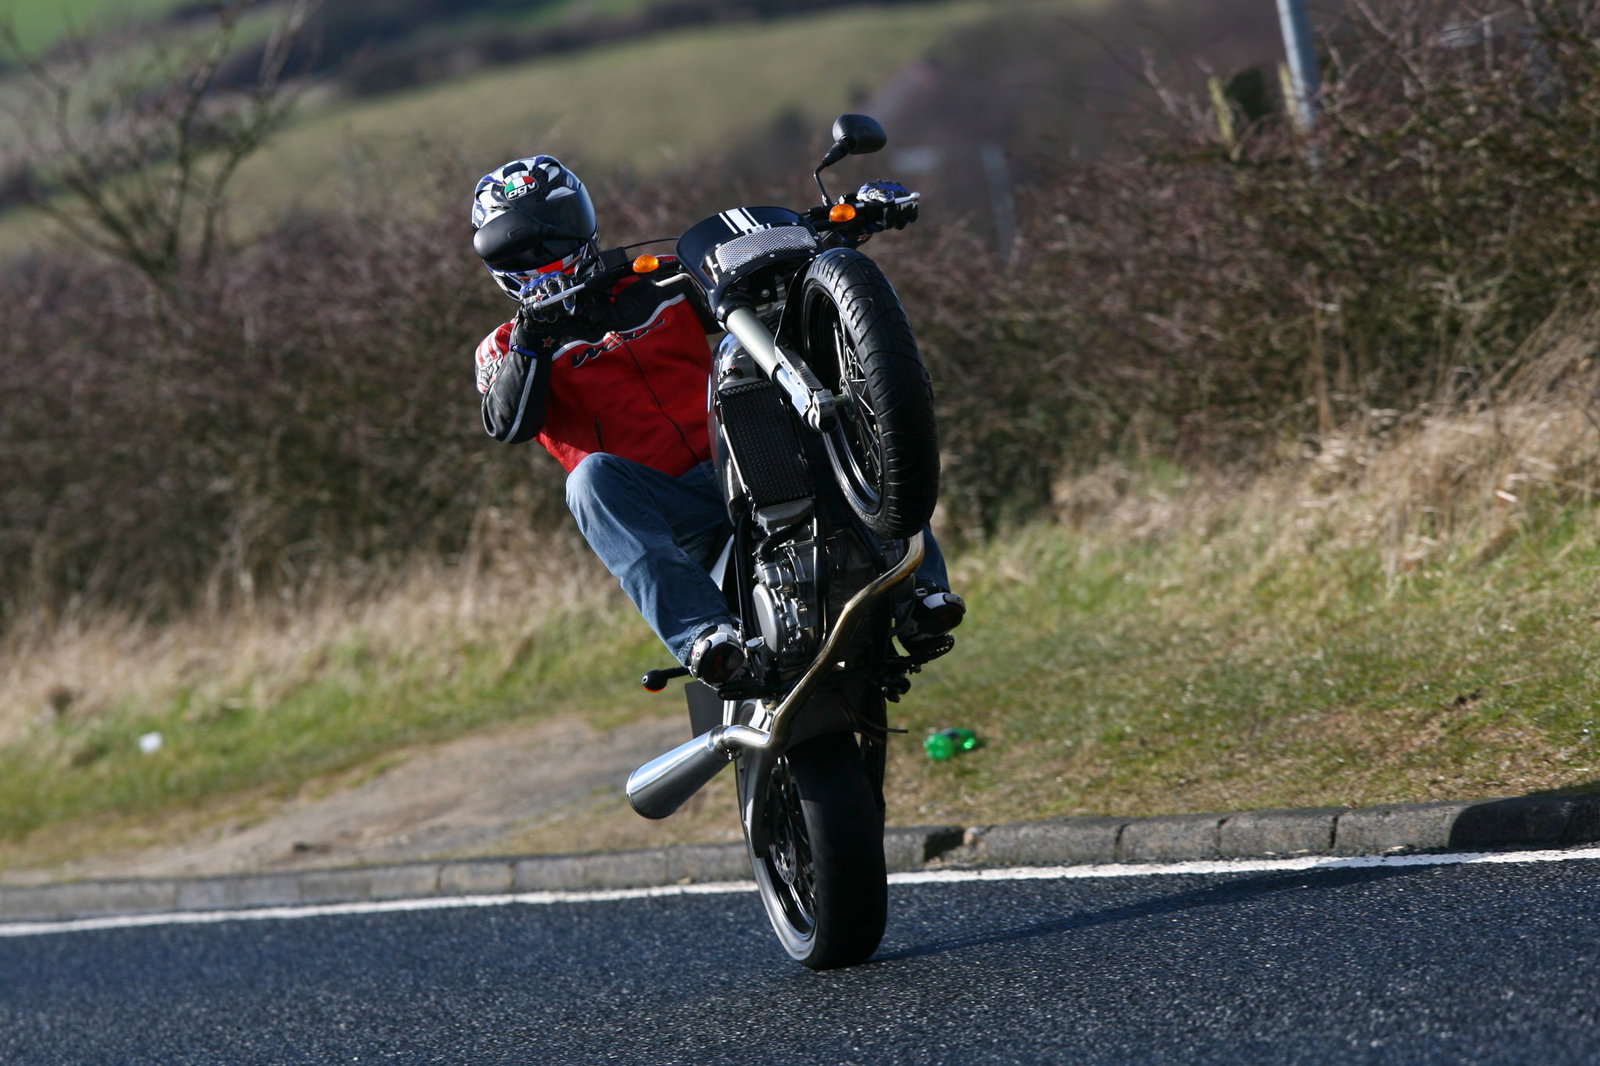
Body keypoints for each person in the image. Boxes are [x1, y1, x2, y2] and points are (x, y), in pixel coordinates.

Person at [469, 155, 962, 688]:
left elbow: (759, 278)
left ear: (582, 224)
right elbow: (508, 422)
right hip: (668, 508)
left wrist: (843, 222)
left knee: (829, 395)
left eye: (554, 234)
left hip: (747, 458)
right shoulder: (504, 348)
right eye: (521, 250)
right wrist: (534, 335)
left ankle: (920, 591)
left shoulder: (656, 281)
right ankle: (704, 637)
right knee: (587, 480)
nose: (542, 256)